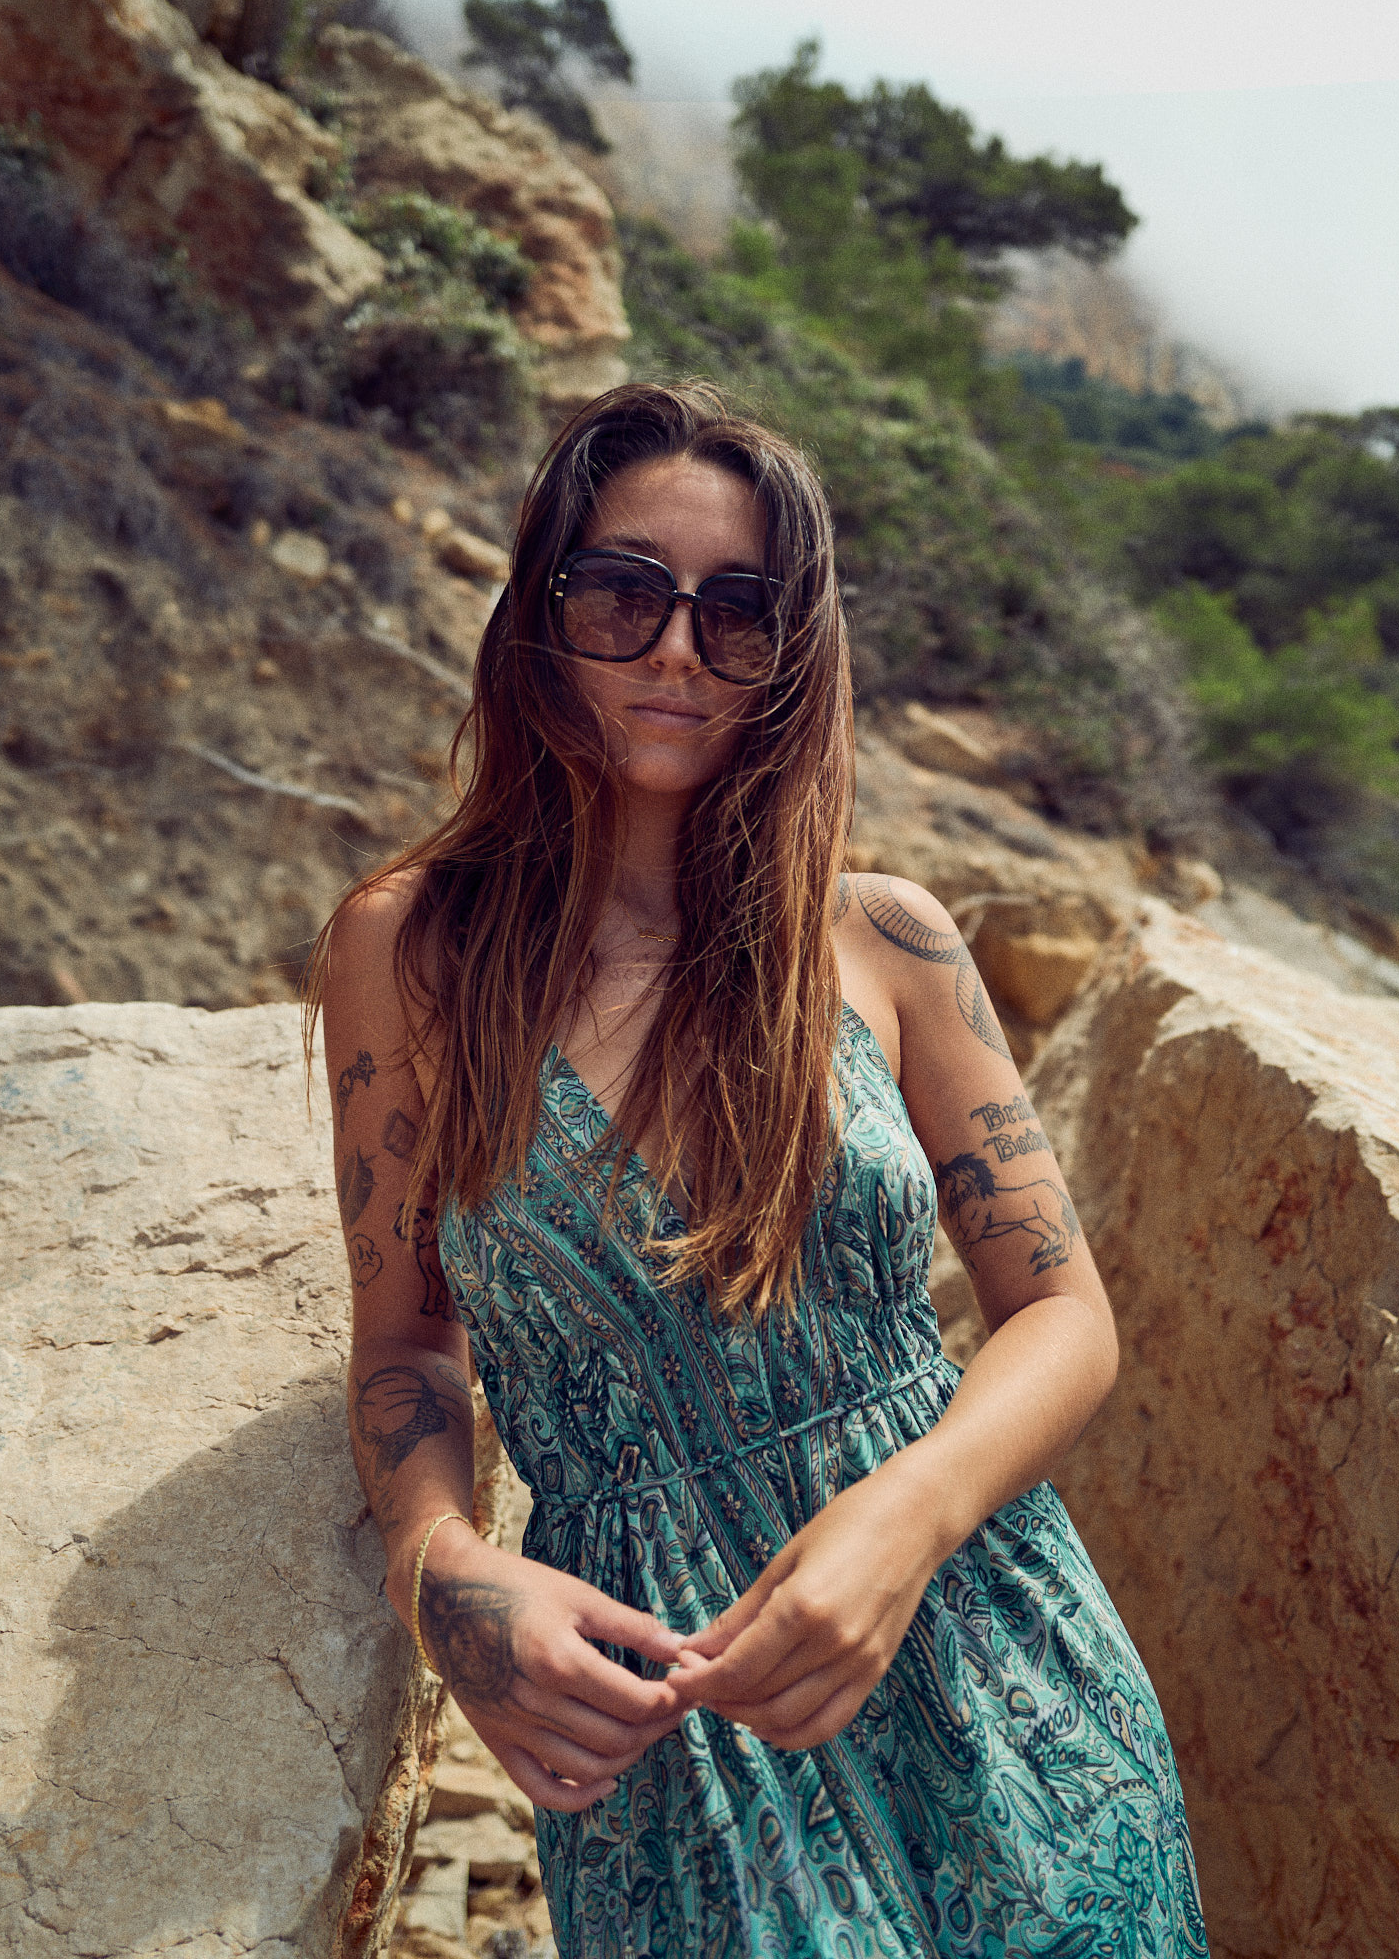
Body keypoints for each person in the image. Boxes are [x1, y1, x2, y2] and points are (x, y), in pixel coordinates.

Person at [309, 382, 1210, 1957]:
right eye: (623, 593)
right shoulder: (411, 953)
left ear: (796, 654)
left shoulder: (890, 940)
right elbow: (406, 1341)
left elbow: (1065, 1315)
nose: (676, 649)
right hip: (668, 1734)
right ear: (539, 613)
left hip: (999, 1661)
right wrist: (439, 1567)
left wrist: (909, 1517)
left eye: (739, 613)